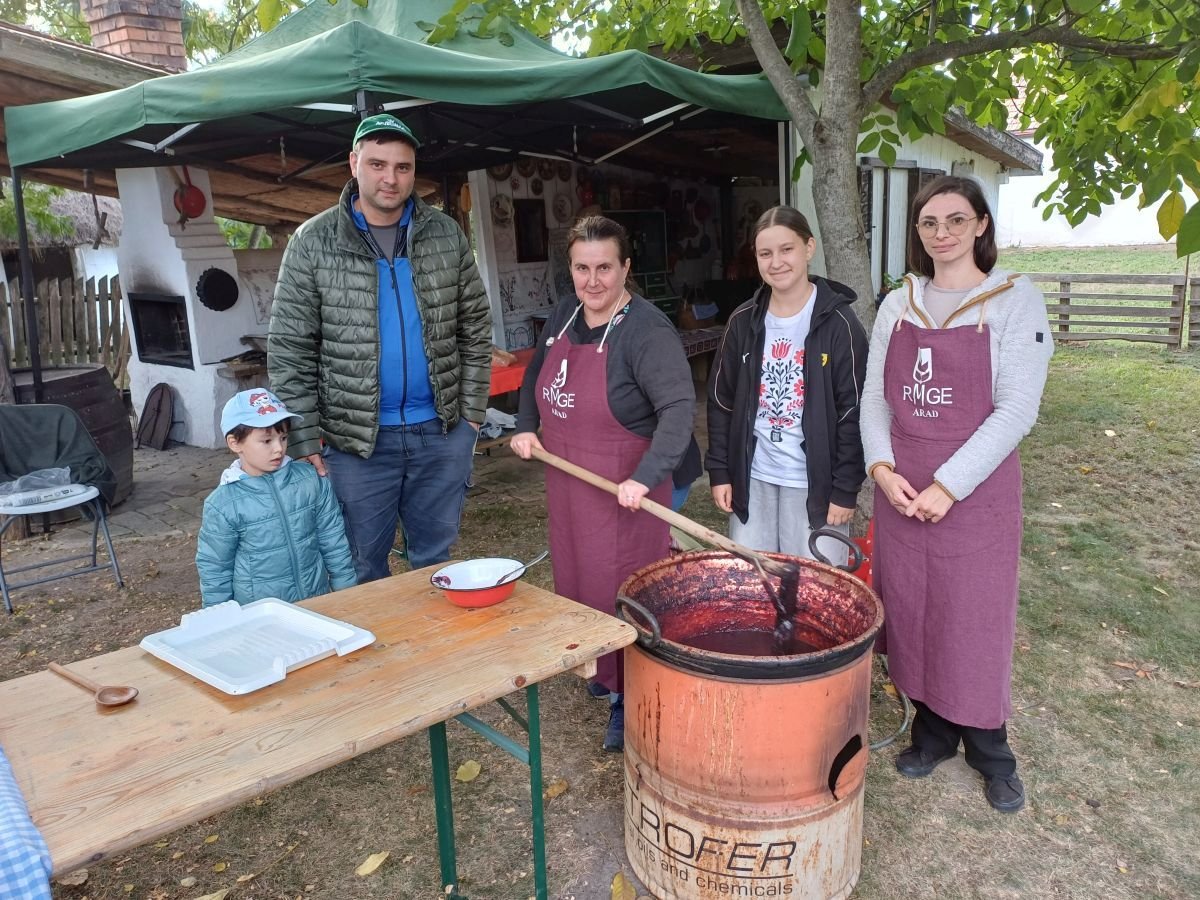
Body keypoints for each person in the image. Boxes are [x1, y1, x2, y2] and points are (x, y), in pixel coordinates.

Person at [860, 175, 1054, 814]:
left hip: (975, 497)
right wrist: (881, 467)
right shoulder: (899, 303)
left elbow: (1016, 409)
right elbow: (875, 399)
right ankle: (934, 732)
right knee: (914, 610)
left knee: (973, 617)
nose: (941, 233)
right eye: (929, 222)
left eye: (956, 220)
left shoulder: (1013, 300)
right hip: (902, 491)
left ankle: (991, 751)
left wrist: (949, 485)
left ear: (981, 226)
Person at [269, 113, 492, 582]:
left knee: (434, 560)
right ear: (354, 164)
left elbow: (474, 327)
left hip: (440, 432)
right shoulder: (313, 242)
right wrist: (303, 436)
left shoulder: (445, 234)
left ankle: (431, 631)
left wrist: (470, 417)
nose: (390, 178)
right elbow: (291, 348)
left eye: (402, 167)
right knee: (360, 566)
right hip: (357, 443)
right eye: (377, 164)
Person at [510, 216, 695, 753]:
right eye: (582, 268)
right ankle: (599, 664)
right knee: (579, 576)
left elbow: (678, 411)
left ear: (626, 268)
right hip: (571, 481)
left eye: (605, 268)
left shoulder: (647, 331)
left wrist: (643, 478)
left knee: (625, 588)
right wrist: (525, 425)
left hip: (627, 490)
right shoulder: (565, 314)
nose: (592, 281)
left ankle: (628, 693)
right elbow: (535, 374)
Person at [706, 206, 868, 565]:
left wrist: (845, 488)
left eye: (787, 249)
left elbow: (854, 411)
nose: (776, 262)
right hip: (754, 478)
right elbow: (721, 402)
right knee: (754, 579)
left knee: (816, 585)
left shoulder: (840, 324)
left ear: (809, 248)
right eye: (765, 253)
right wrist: (720, 471)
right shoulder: (742, 321)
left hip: (816, 486)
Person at [196, 389, 357, 607]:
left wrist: (347, 592)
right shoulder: (223, 504)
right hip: (260, 615)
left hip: (316, 603)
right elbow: (215, 569)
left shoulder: (310, 480)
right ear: (235, 443)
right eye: (266, 441)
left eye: (283, 438)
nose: (278, 449)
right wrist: (219, 618)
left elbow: (333, 539)